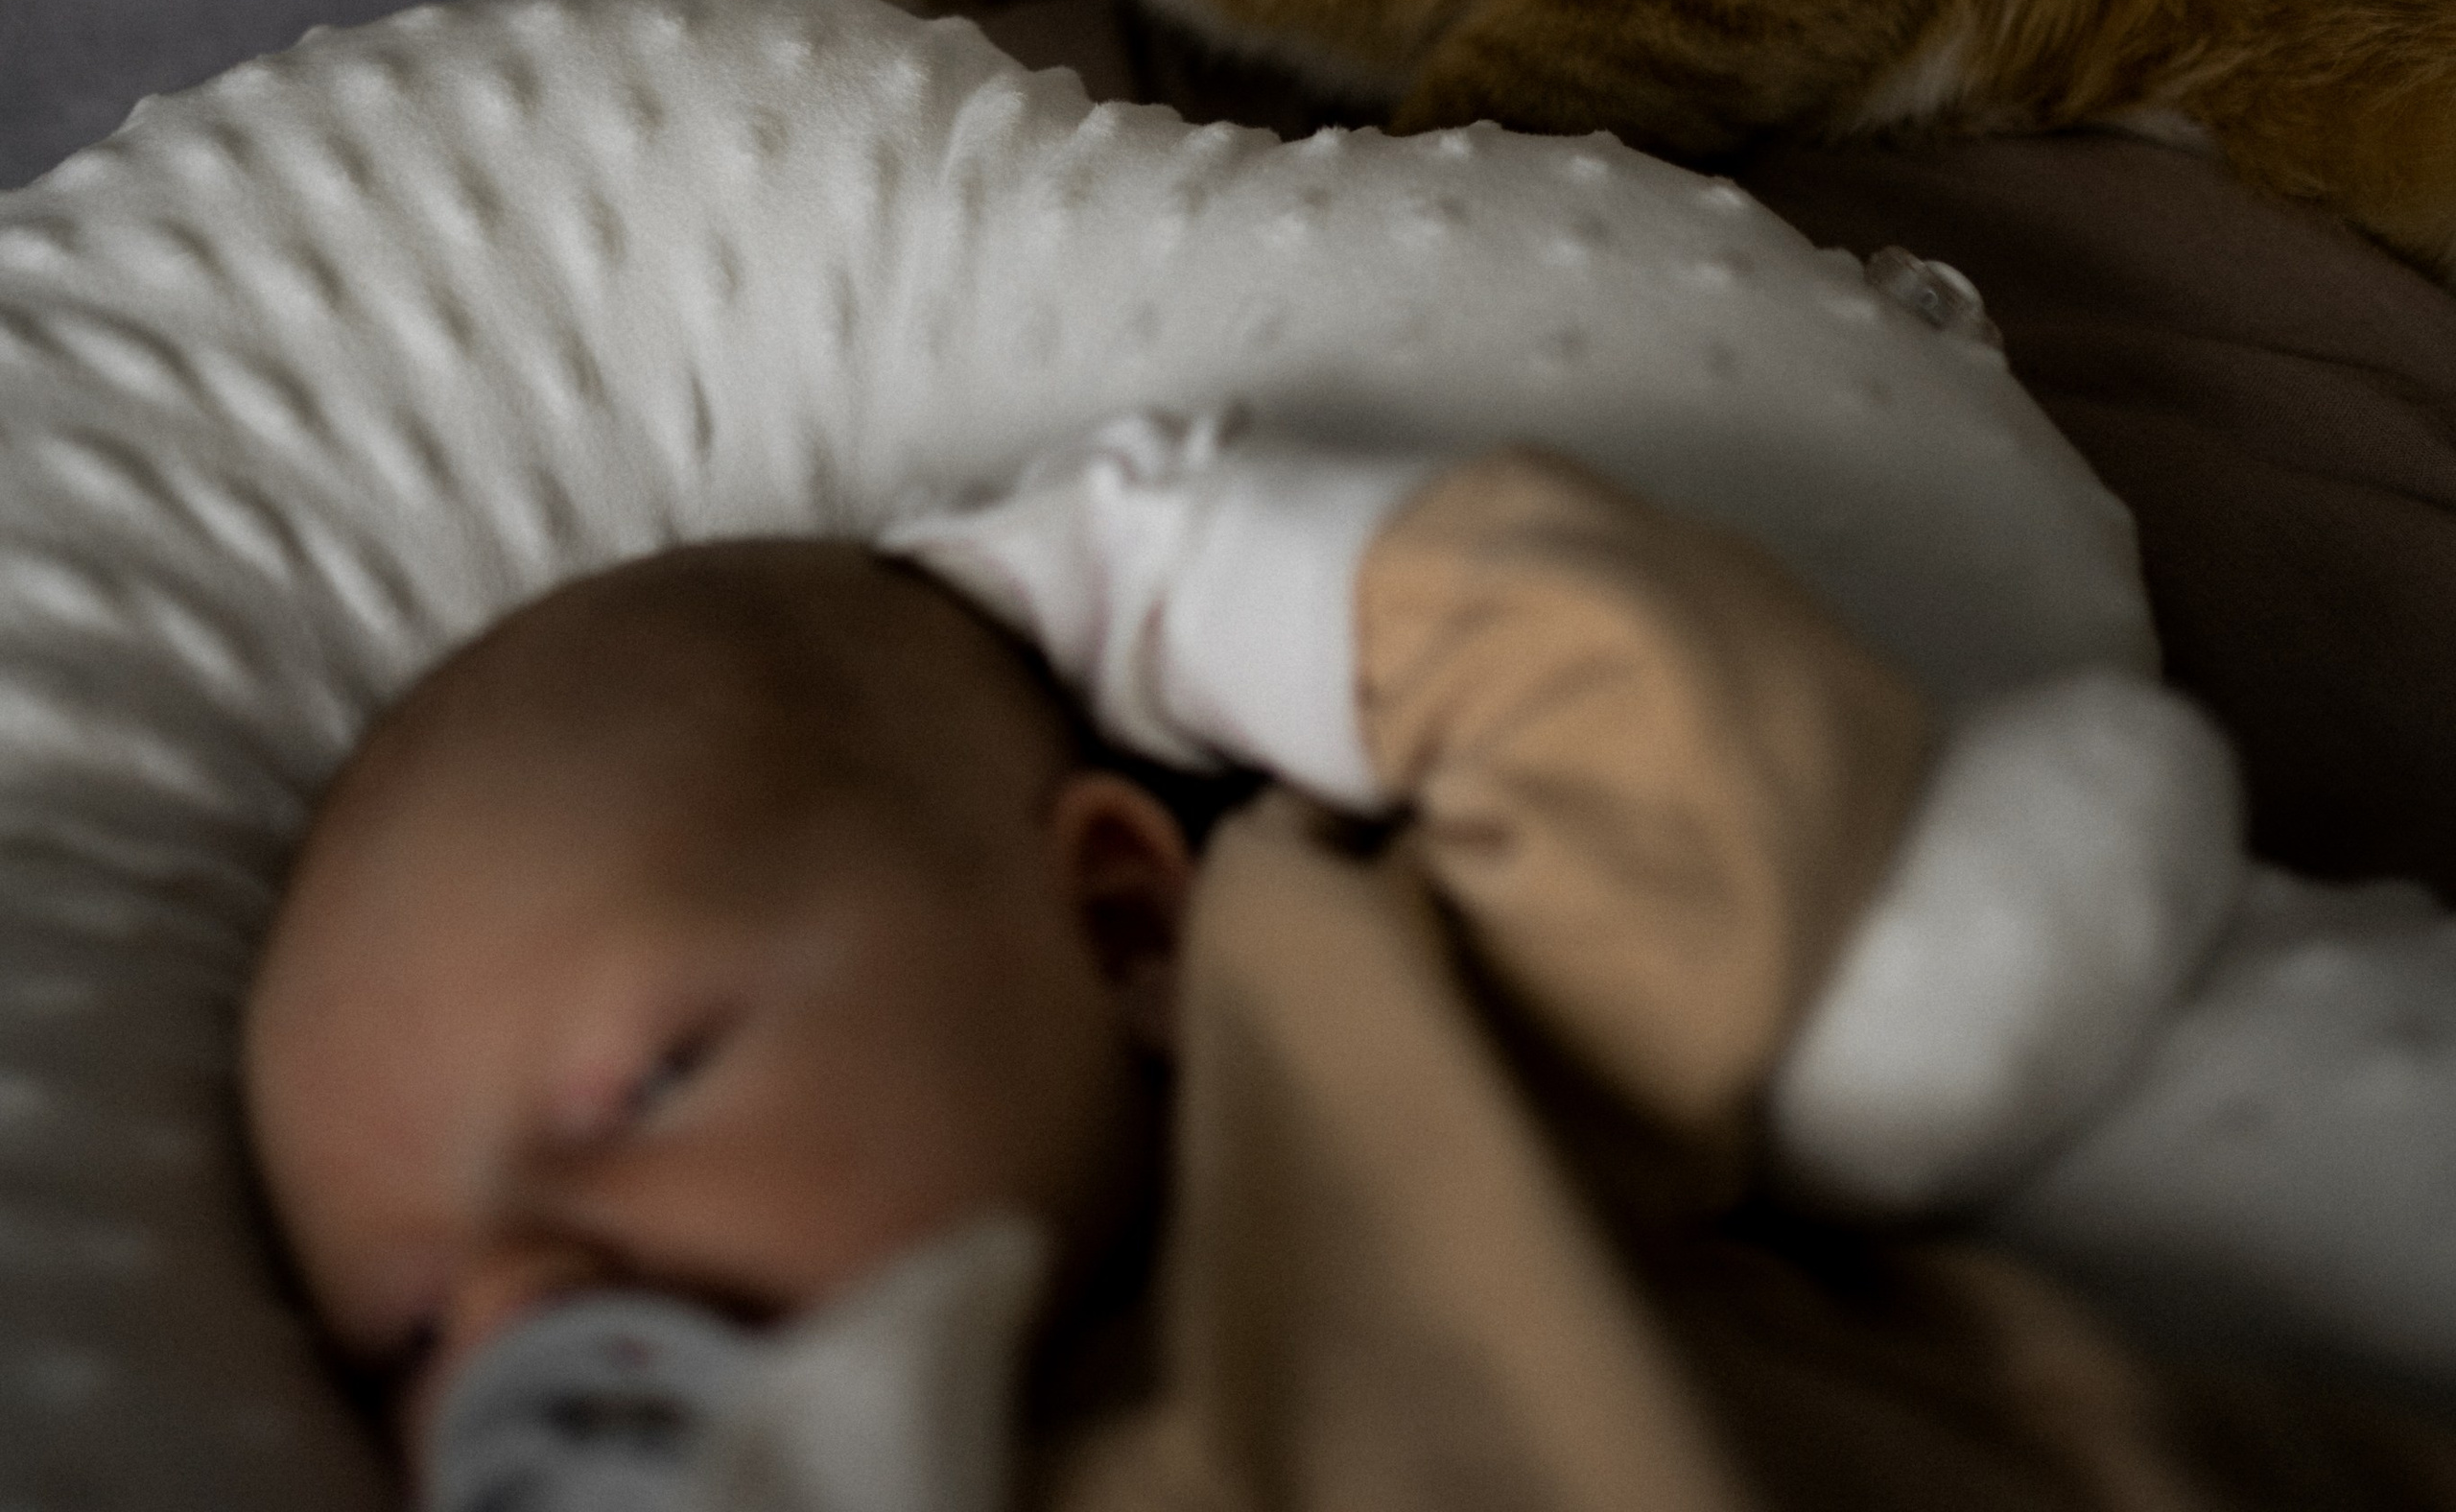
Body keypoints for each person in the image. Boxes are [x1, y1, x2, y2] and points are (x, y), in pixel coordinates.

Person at [244, 421, 2456, 1512]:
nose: (521, 1312)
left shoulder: (1378, 1040)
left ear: (1112, 918)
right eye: (405, 1325)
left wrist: (1144, 566)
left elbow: (1691, 746)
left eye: (642, 1088)